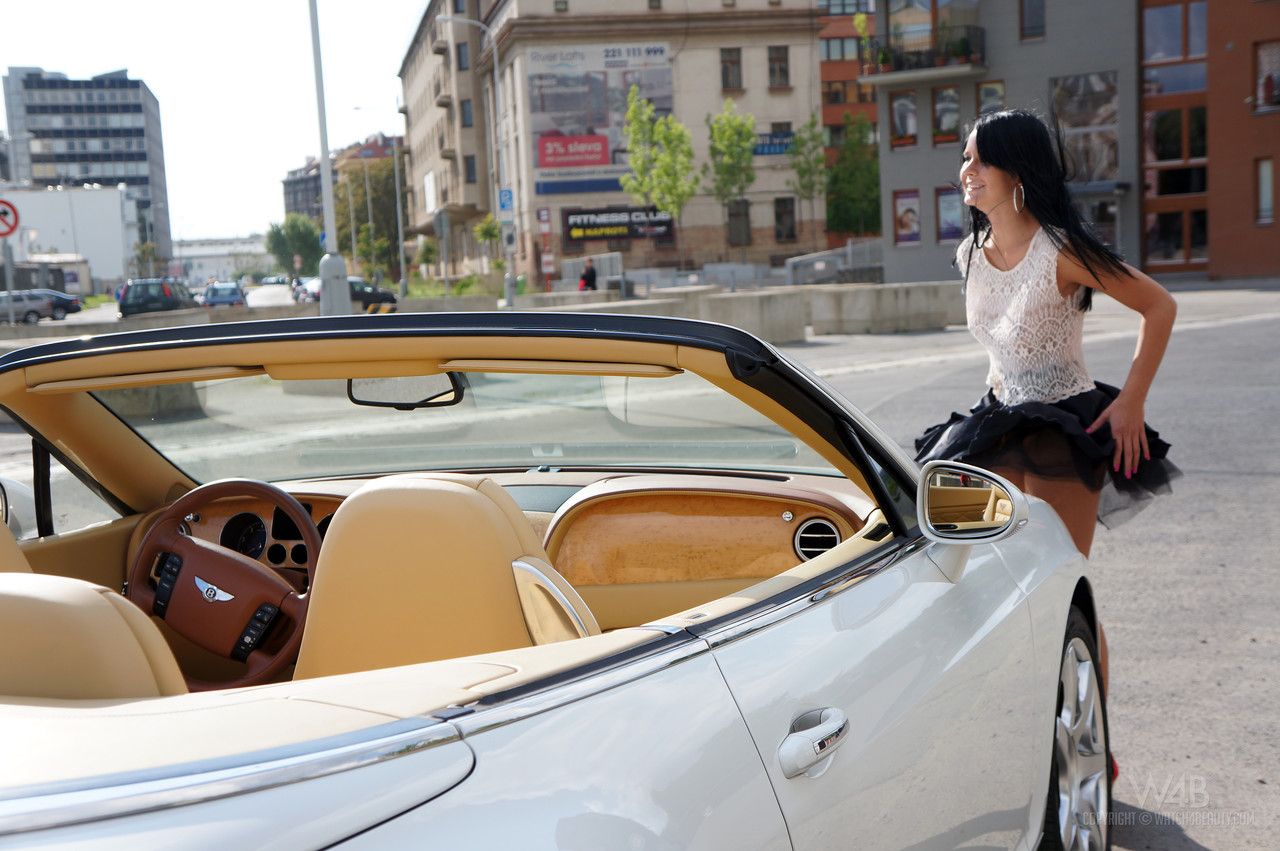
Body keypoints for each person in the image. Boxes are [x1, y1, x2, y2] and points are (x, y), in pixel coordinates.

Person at [913, 109, 1182, 558]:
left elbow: (1159, 305)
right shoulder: (969, 255)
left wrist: (1131, 400)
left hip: (1063, 429)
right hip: (995, 422)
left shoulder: (1063, 250)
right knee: (991, 577)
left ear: (1017, 172)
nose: (967, 171)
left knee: (1060, 580)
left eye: (981, 161)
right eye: (966, 158)